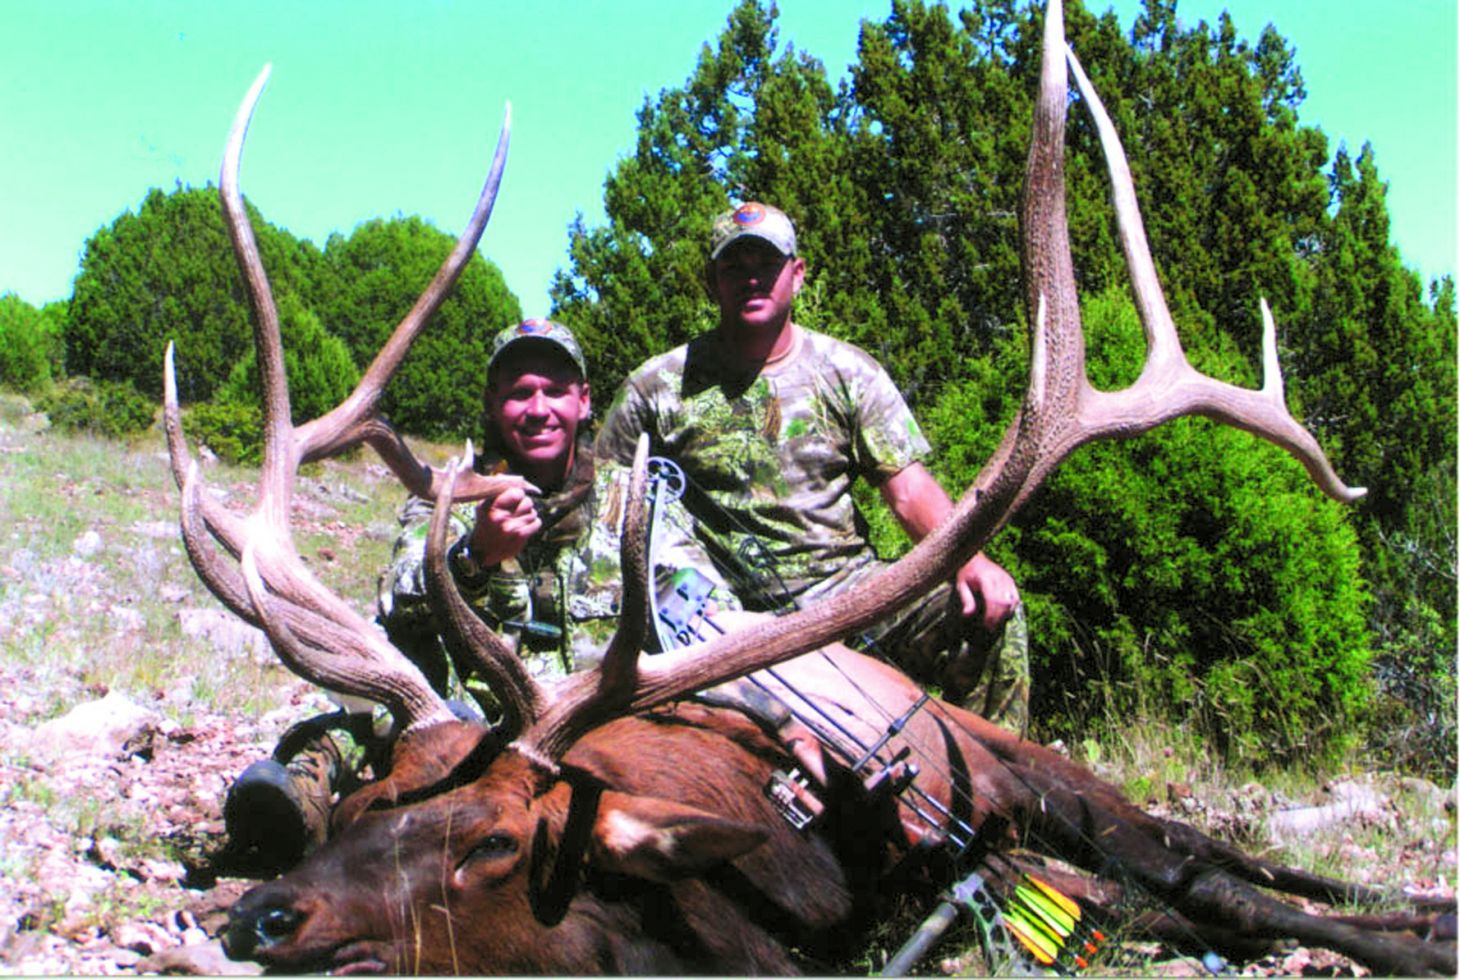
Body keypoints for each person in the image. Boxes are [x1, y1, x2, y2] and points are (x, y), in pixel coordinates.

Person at [594, 202, 1030, 734]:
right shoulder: (655, 389)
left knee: (991, 616)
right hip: (723, 627)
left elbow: (908, 490)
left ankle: (1004, 798)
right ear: (712, 282)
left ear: (796, 276)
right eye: (734, 266)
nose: (752, 278)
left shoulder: (847, 371)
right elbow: (608, 513)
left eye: (768, 265)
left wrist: (970, 560)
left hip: (851, 600)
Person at [224, 318, 626, 871]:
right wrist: (473, 554)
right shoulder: (438, 494)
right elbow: (400, 598)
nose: (538, 409)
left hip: (590, 737)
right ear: (491, 404)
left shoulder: (636, 502)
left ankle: (358, 819)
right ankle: (300, 806)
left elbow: (707, 606)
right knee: (386, 707)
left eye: (555, 391)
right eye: (518, 393)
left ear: (583, 402)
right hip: (456, 726)